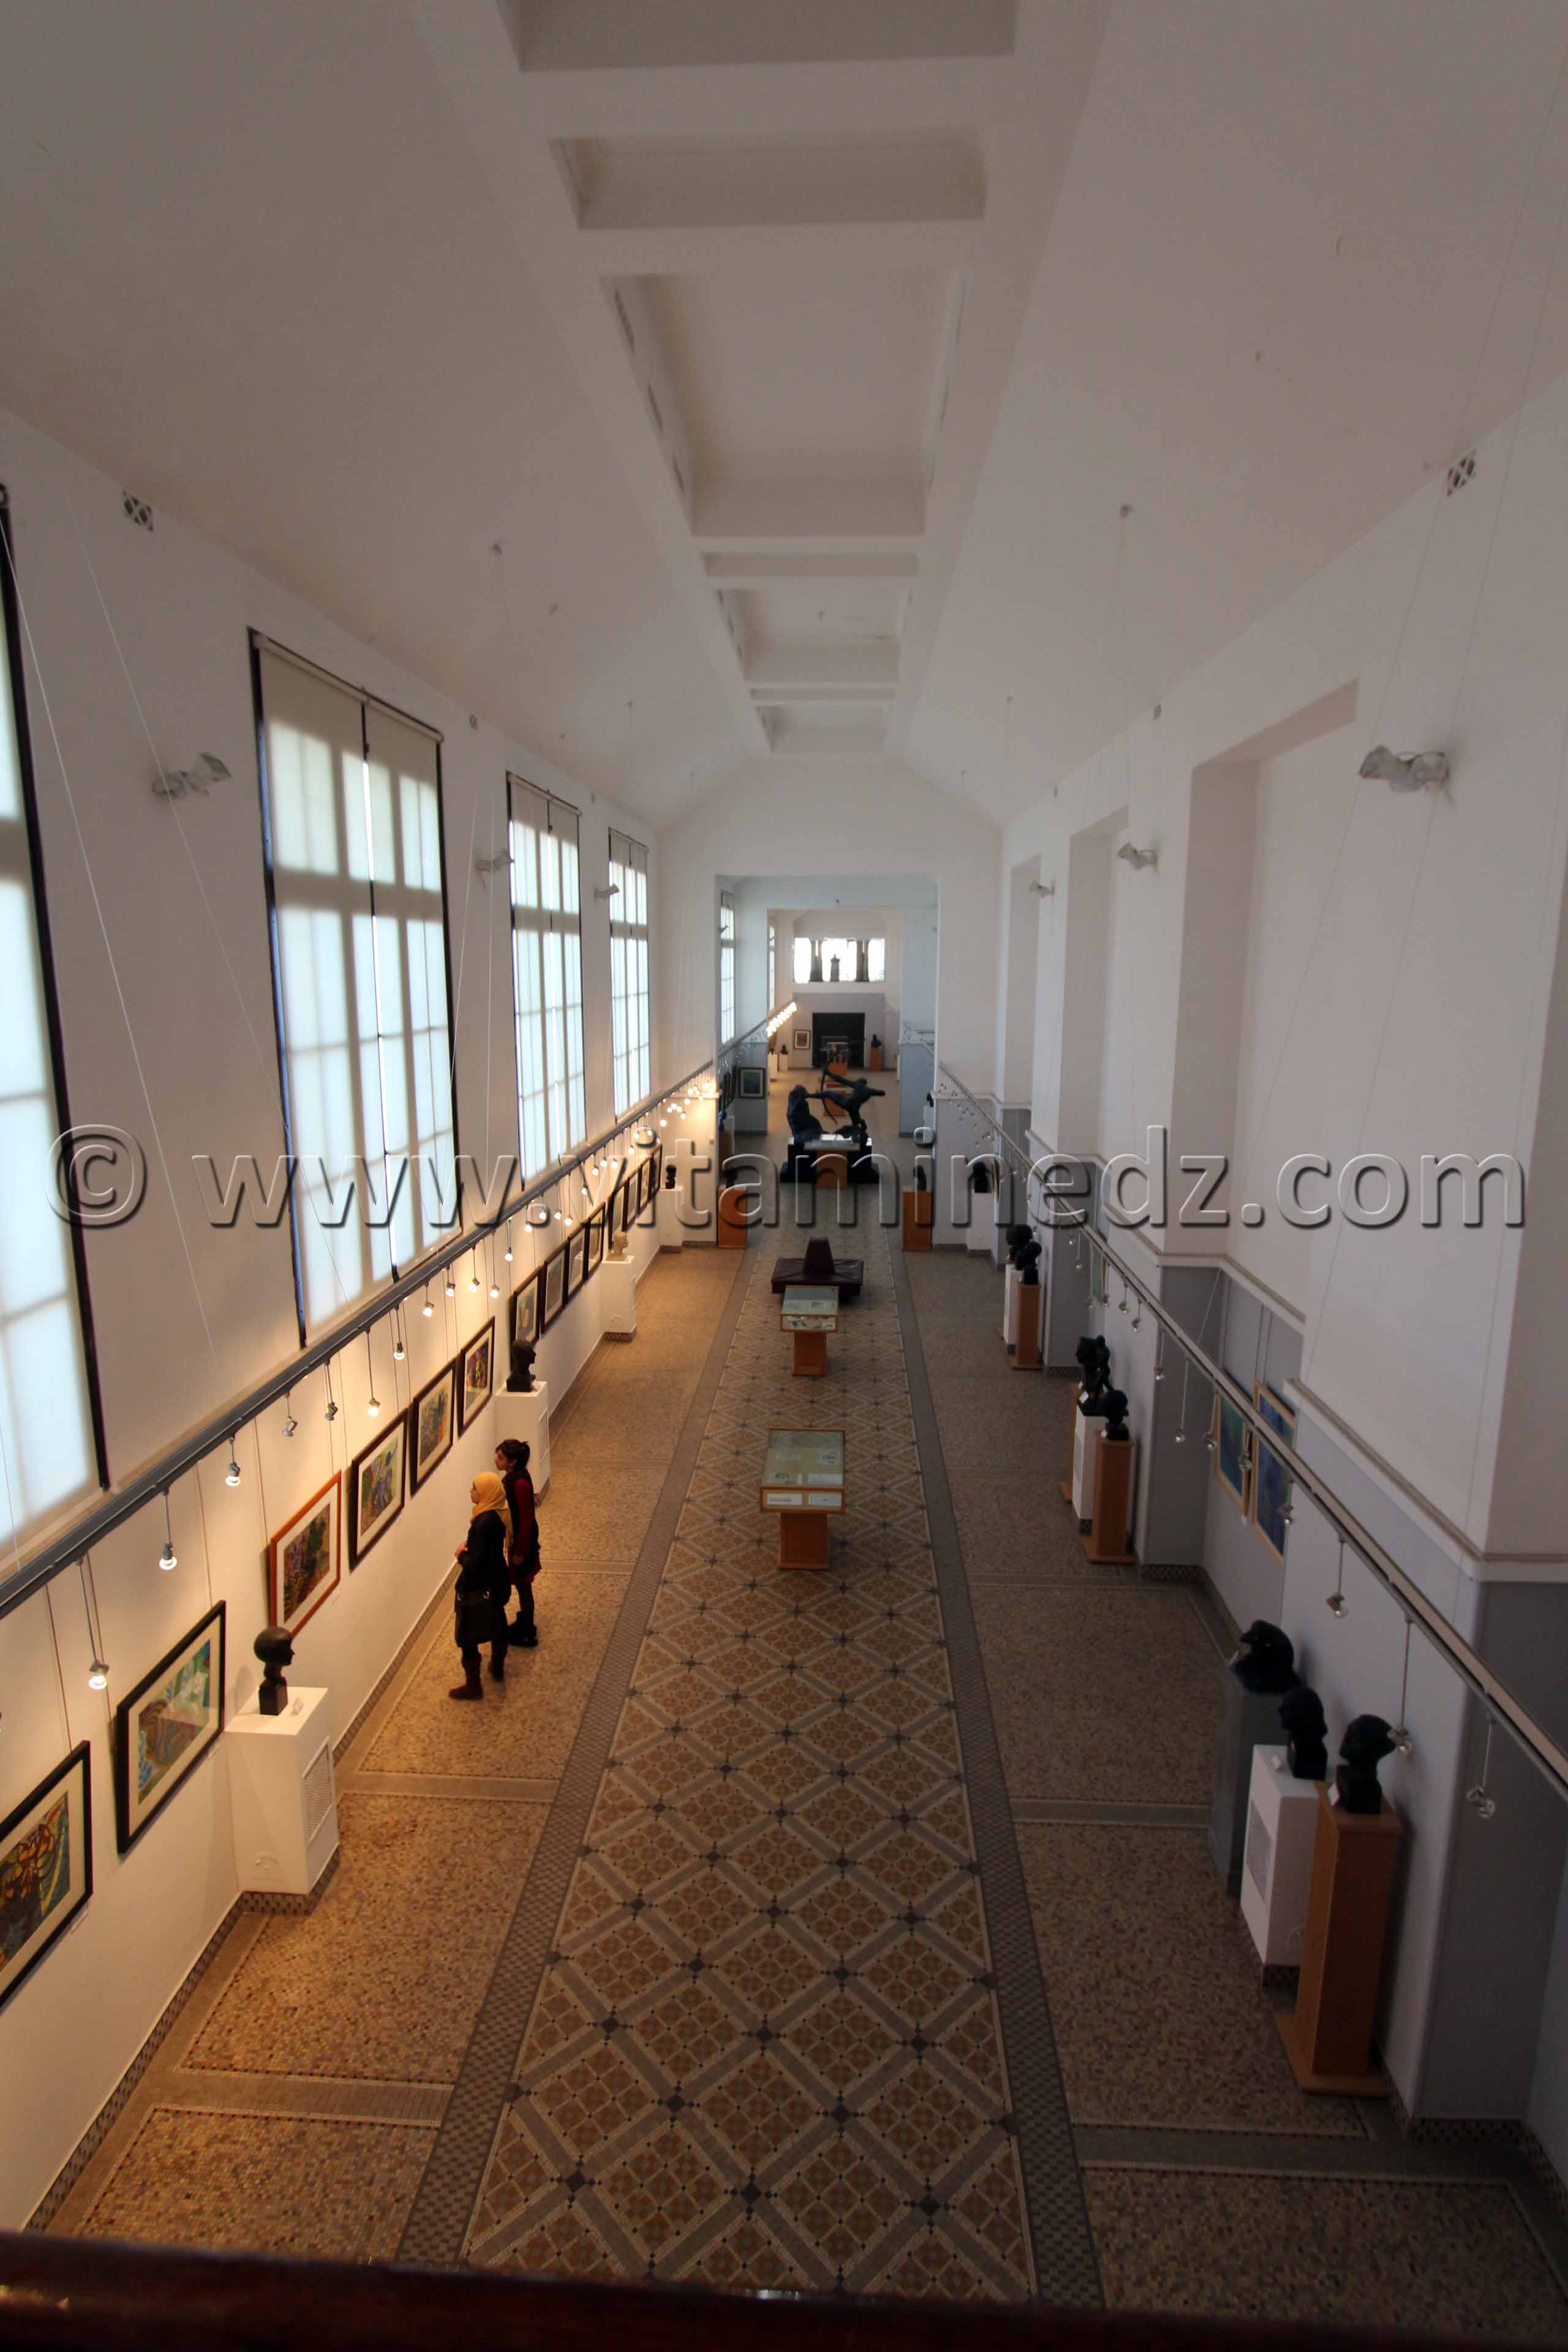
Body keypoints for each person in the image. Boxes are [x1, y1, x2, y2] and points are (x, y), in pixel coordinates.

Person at [450, 1471, 511, 1700]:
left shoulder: (482, 1523)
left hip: (478, 1586)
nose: (471, 1492)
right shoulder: (497, 1514)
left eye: (475, 1488)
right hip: (497, 1580)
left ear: (485, 1493)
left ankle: (473, 1686)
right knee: (499, 1625)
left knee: (467, 1637)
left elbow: (475, 1565)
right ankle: (498, 1668)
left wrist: (461, 1555)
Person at [496, 1437, 540, 1648]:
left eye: (501, 1457)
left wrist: (520, 1551)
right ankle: (525, 1620)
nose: (497, 1460)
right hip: (517, 1540)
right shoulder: (513, 1477)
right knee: (522, 1586)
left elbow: (526, 1519)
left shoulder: (519, 1483)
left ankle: (529, 1631)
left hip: (524, 1543)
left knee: (524, 1587)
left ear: (512, 1461)